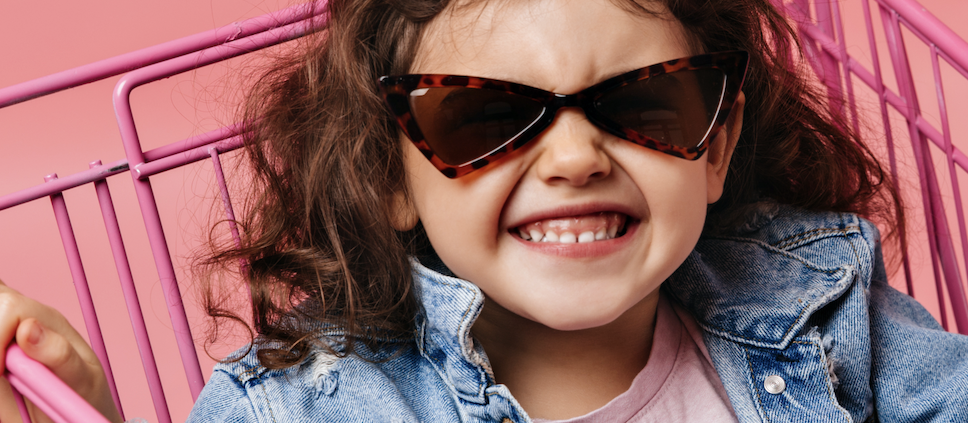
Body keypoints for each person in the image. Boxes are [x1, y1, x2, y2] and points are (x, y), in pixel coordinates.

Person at [4, 0, 968, 421]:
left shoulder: (820, 307)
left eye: (646, 103)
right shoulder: (313, 406)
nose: (577, 158)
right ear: (388, 174)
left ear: (715, 145)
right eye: (486, 117)